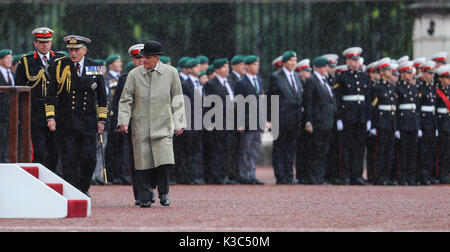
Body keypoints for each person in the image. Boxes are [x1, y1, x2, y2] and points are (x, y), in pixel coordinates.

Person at [118, 40, 186, 207]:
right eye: (142, 57)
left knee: (164, 162)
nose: (144, 61)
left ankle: (163, 193)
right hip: (141, 126)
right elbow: (125, 100)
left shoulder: (171, 73)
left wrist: (180, 122)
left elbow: (177, 98)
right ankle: (146, 195)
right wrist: (123, 121)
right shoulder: (134, 74)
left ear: (157, 58)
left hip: (163, 125)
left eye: (147, 58)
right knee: (142, 165)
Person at [45, 34, 107, 196]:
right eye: (70, 50)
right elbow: (51, 95)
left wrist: (102, 120)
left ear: (84, 50)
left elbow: (102, 96)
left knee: (89, 158)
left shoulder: (95, 67)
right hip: (66, 120)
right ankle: (73, 190)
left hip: (87, 121)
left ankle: (84, 186)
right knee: (68, 158)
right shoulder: (59, 66)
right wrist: (50, 117)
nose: (73, 53)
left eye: (76, 50)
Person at [14, 27, 64, 172]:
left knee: (55, 150)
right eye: (41, 42)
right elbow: (19, 88)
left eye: (47, 41)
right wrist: (21, 113)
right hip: (35, 111)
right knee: (40, 150)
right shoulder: (26, 61)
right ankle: (39, 182)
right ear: (35, 43)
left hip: (56, 110)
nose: (45, 45)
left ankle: (52, 180)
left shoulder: (60, 59)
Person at [111, 43, 144, 204]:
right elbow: (117, 103)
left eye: (144, 57)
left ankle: (152, 188)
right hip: (133, 125)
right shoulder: (124, 79)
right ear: (133, 59)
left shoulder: (156, 76)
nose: (141, 61)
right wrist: (118, 123)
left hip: (154, 123)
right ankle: (140, 193)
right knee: (136, 159)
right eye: (138, 58)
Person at [334, 47, 370, 185]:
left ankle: (357, 175)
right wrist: (339, 118)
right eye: (353, 60)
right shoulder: (342, 77)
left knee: (359, 147)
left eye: (357, 60)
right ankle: (346, 175)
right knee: (346, 147)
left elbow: (368, 98)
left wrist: (368, 118)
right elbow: (338, 99)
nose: (356, 62)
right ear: (348, 61)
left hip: (361, 116)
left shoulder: (364, 77)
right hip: (348, 116)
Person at [267, 51, 303, 184]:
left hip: (294, 119)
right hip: (281, 118)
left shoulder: (297, 77)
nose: (293, 63)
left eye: (295, 60)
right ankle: (280, 175)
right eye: (290, 60)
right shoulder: (276, 77)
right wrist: (270, 119)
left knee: (290, 148)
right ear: (284, 62)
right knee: (280, 148)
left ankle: (289, 175)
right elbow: (271, 99)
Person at [303, 57, 337, 184]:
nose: (326, 69)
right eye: (324, 67)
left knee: (323, 150)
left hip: (327, 121)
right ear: (317, 67)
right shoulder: (312, 81)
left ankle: (320, 176)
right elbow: (308, 102)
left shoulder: (325, 80)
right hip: (317, 121)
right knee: (315, 151)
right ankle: (313, 177)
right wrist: (308, 121)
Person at [234, 55, 265, 185]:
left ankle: (252, 174)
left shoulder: (259, 80)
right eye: (254, 64)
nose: (257, 67)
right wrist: (239, 122)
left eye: (258, 64)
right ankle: (244, 175)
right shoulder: (241, 82)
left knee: (255, 149)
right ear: (248, 66)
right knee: (245, 150)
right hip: (247, 120)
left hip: (258, 121)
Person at [369, 58, 397, 185]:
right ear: (381, 72)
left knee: (389, 151)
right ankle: (379, 177)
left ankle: (387, 176)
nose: (390, 72)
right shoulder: (377, 87)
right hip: (381, 122)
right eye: (387, 70)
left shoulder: (391, 87)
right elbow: (374, 107)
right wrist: (373, 125)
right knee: (381, 151)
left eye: (390, 69)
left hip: (390, 121)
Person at [394, 61, 420, 185]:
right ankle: (403, 177)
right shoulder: (397, 88)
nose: (410, 75)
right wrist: (397, 127)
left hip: (413, 123)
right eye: (408, 73)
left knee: (413, 152)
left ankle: (411, 177)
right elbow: (397, 109)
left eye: (411, 73)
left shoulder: (414, 88)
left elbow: (417, 109)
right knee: (403, 152)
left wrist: (418, 126)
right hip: (403, 123)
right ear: (402, 74)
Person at [417, 61, 438, 185]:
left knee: (430, 150)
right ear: (423, 73)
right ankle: (423, 175)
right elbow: (418, 109)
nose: (431, 76)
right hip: (424, 123)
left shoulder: (433, 88)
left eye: (432, 73)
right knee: (424, 150)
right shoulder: (420, 88)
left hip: (432, 122)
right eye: (429, 73)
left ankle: (429, 174)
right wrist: (419, 126)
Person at [435, 64, 450, 184]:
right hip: (441, 123)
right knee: (442, 151)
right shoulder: (437, 91)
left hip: (448, 122)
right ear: (440, 79)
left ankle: (447, 173)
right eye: (447, 78)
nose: (449, 80)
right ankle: (441, 174)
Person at [0, 49, 14, 163]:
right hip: (1, 115)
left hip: (13, 115)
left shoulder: (13, 74)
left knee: (10, 142)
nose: (10, 60)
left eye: (11, 58)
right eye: (7, 58)